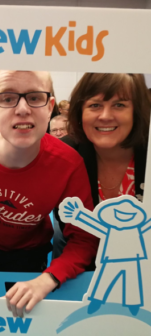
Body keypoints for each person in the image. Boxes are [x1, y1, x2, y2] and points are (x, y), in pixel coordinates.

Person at [0, 70, 99, 318]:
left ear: (50, 107)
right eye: (8, 98)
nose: (23, 108)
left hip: (30, 255)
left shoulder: (69, 163)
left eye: (35, 97)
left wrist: (49, 278)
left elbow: (84, 238)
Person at [57, 73, 149, 258]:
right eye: (95, 105)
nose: (105, 116)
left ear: (136, 111)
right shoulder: (64, 155)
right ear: (80, 112)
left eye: (119, 105)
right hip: (85, 269)